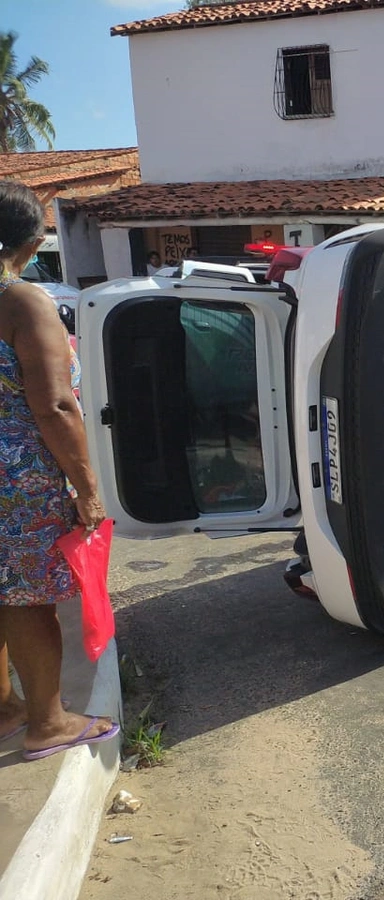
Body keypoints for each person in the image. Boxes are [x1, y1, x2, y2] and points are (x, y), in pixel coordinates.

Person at [0, 181, 118, 761]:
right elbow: (54, 405)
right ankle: (47, 722)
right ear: (33, 237)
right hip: (17, 481)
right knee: (26, 600)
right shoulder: (22, 301)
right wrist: (88, 488)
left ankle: (3, 706)